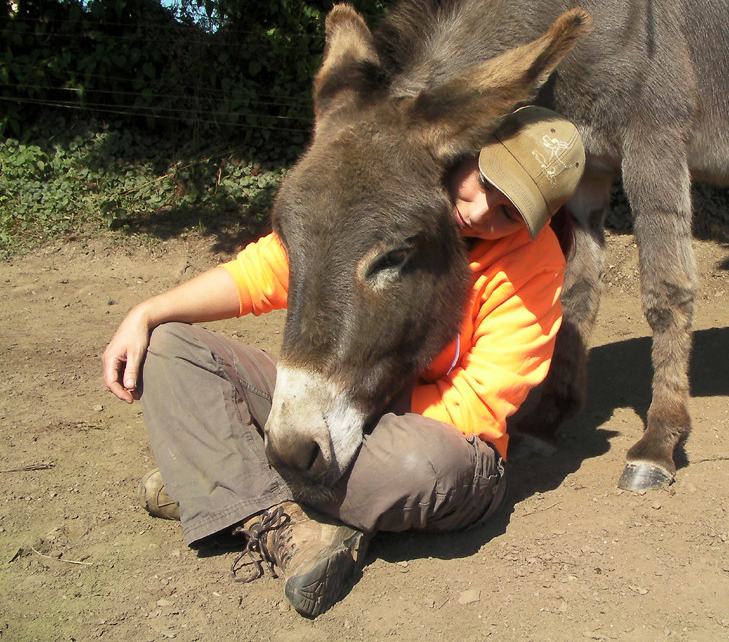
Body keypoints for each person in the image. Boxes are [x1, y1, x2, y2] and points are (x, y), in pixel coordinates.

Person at [102, 106, 586, 618]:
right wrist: (147, 310)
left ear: (536, 224)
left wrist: (349, 421)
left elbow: (478, 403)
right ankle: (277, 505)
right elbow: (263, 273)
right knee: (170, 346)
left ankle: (232, 486)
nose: (483, 210)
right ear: (467, 150)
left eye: (510, 212)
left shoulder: (534, 267)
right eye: (484, 181)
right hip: (336, 413)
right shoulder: (387, 202)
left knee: (420, 469)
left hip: (435, 439)